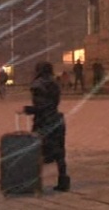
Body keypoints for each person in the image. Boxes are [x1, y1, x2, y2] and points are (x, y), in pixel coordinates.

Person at [24, 61, 70, 192]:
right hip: (56, 119)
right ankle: (63, 180)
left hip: (44, 122)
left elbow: (42, 106)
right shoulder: (54, 83)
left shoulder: (38, 85)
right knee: (59, 153)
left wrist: (27, 109)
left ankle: (33, 182)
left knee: (36, 152)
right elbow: (52, 104)